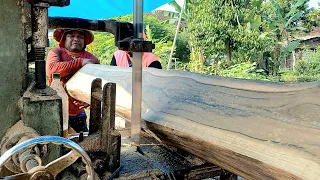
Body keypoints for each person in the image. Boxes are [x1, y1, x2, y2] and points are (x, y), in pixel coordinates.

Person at [46, 28, 100, 133]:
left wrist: (90, 101)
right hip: (56, 111)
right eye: (71, 36)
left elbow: (98, 85)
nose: (76, 39)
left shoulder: (92, 59)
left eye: (80, 36)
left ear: (84, 41)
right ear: (64, 39)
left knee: (82, 144)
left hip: (78, 113)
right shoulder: (56, 52)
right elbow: (51, 70)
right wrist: (79, 63)